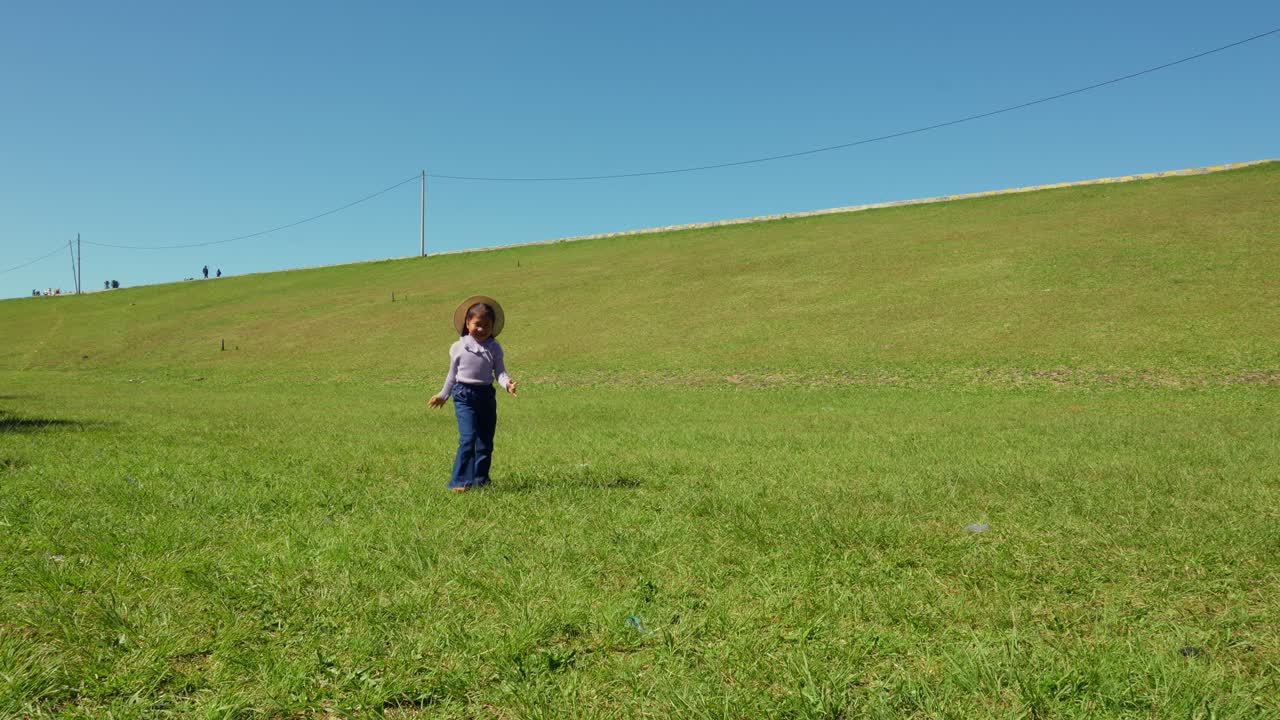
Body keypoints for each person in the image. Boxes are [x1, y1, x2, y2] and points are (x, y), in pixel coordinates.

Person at [428, 295, 517, 492]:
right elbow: (452, 375)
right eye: (477, 324)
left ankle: (481, 480)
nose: (482, 329)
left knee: (485, 441)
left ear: (493, 326)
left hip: (486, 396)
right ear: (467, 323)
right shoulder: (458, 347)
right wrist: (443, 395)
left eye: (487, 325)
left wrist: (507, 384)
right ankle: (459, 481)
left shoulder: (494, 348)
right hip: (464, 395)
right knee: (468, 438)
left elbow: (499, 372)